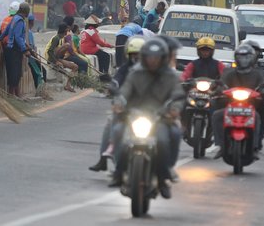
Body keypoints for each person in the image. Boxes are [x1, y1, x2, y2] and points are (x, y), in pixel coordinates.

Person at [110, 37, 185, 199]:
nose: (152, 61)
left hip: (160, 118)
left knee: (167, 139)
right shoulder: (135, 73)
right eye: (150, 57)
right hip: (135, 116)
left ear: (163, 58)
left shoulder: (171, 76)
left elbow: (178, 96)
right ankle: (118, 173)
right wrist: (119, 103)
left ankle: (164, 177)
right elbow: (124, 92)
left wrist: (174, 110)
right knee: (118, 133)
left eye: (156, 58)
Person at [89, 36, 145, 173]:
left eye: (139, 54)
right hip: (125, 107)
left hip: (146, 108)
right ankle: (103, 159)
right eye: (134, 54)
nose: (137, 57)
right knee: (111, 126)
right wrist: (113, 86)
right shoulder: (125, 68)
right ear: (129, 55)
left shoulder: (151, 71)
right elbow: (117, 80)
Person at [212, 44, 264, 160]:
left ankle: (255, 145)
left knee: (258, 116)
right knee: (216, 115)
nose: (244, 60)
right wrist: (218, 90)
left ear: (252, 58)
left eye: (246, 57)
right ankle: (221, 145)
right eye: (241, 57)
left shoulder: (259, 73)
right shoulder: (228, 72)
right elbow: (220, 85)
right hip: (230, 106)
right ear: (236, 57)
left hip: (252, 107)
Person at [0, 2, 32, 97]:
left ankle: (15, 95)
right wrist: (25, 50)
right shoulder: (20, 21)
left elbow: (7, 30)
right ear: (26, 12)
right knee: (15, 73)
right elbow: (18, 37)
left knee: (12, 72)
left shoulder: (14, 19)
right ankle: (11, 96)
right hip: (14, 50)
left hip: (9, 49)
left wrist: (0, 38)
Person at [44, 23, 78, 92]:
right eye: (67, 30)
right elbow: (50, 51)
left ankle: (68, 85)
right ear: (64, 30)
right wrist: (56, 61)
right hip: (52, 59)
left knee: (75, 67)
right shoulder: (56, 38)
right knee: (67, 45)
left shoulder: (61, 38)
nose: (68, 32)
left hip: (58, 58)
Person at [26, 14, 48, 93]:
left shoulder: (28, 31)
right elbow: (31, 48)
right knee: (39, 73)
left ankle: (42, 91)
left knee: (42, 72)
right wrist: (37, 58)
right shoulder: (28, 32)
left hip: (32, 56)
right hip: (31, 58)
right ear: (31, 22)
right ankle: (40, 92)